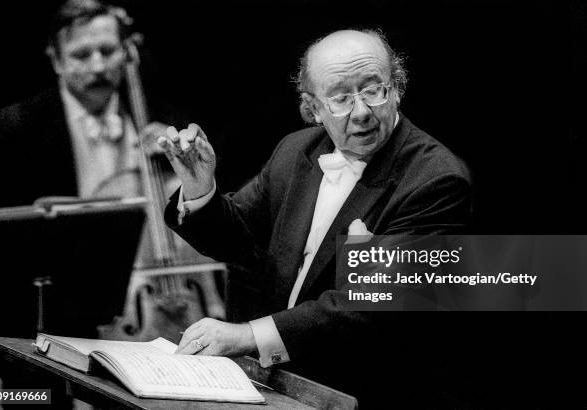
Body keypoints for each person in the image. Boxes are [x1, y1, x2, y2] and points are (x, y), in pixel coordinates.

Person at [159, 29, 472, 408]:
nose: (360, 112)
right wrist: (199, 188)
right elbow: (239, 241)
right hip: (273, 383)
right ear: (313, 108)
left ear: (397, 88)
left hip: (360, 389)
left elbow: (370, 302)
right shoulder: (295, 150)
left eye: (373, 90)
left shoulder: (436, 178)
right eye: (340, 98)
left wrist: (246, 336)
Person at [0, 0, 179, 209]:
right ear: (56, 60)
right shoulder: (16, 127)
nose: (98, 66)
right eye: (81, 55)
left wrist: (183, 158)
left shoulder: (161, 115)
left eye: (108, 51)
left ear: (125, 52)